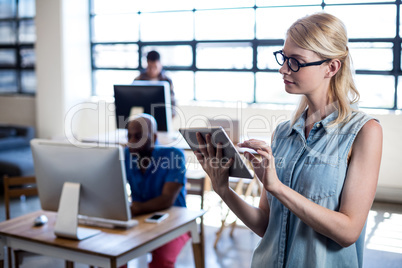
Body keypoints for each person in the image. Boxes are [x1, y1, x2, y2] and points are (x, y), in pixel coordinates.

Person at [194, 12, 382, 268]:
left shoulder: (364, 132)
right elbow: (265, 225)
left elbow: (348, 231)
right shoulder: (283, 133)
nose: (283, 69)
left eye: (295, 62)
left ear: (331, 67)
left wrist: (278, 188)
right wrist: (222, 189)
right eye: (284, 58)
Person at [123, 113, 189, 268]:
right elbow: (113, 186)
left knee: (162, 262)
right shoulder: (126, 155)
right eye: (129, 136)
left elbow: (167, 199)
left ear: (153, 136)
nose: (132, 142)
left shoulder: (174, 155)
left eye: (138, 137)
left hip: (174, 221)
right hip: (139, 220)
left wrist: (136, 208)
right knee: (110, 254)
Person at [134, 50, 176, 117]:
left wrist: (170, 116)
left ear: (160, 65)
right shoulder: (139, 80)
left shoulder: (167, 81)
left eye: (155, 67)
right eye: (150, 67)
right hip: (143, 118)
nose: (152, 70)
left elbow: (172, 103)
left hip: (162, 117)